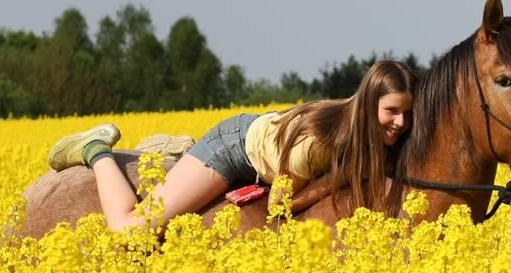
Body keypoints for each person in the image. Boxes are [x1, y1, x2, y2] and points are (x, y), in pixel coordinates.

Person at [47, 60, 418, 232]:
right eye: (391, 111)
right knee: (131, 229)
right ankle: (96, 151)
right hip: (234, 149)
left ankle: (175, 154)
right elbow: (280, 204)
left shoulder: (370, 135)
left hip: (267, 141)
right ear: (368, 103)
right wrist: (332, 181)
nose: (400, 123)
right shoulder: (317, 142)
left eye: (406, 113)